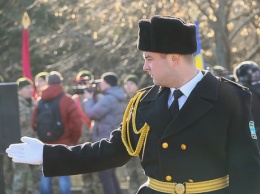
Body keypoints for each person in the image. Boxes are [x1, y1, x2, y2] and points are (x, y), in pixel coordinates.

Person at [6, 15, 260, 194]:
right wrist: (48, 154)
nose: (144, 66)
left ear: (174, 58)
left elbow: (247, 171)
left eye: (149, 58)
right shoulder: (145, 101)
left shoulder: (230, 98)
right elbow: (111, 151)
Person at [31, 71, 82, 194]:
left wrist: (43, 136)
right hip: (64, 142)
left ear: (47, 82)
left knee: (45, 174)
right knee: (64, 175)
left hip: (45, 144)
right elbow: (77, 122)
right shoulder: (67, 100)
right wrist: (73, 140)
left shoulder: (40, 100)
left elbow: (34, 124)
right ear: (61, 82)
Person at [83, 72, 125, 194]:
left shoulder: (108, 98)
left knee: (105, 175)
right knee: (110, 174)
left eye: (102, 82)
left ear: (107, 83)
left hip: (104, 139)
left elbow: (92, 114)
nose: (100, 84)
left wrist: (89, 100)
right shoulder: (117, 96)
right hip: (112, 136)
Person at [4, 77, 41, 194]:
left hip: (35, 145)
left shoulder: (35, 103)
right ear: (19, 91)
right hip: (20, 147)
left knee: (37, 177)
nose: (30, 90)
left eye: (31, 88)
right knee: (20, 178)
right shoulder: (14, 105)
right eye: (27, 88)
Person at [72, 70, 104, 194]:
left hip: (96, 139)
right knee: (84, 172)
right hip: (80, 140)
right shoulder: (74, 100)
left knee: (98, 172)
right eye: (81, 83)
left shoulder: (98, 98)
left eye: (86, 82)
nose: (83, 86)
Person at [123, 74, 147, 194]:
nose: (128, 86)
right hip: (126, 142)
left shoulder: (142, 99)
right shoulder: (122, 101)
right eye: (126, 84)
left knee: (142, 173)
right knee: (130, 174)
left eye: (131, 84)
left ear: (137, 85)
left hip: (140, 143)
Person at [233, 61, 260, 148]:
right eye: (252, 72)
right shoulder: (240, 91)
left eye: (256, 71)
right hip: (251, 130)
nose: (256, 74)